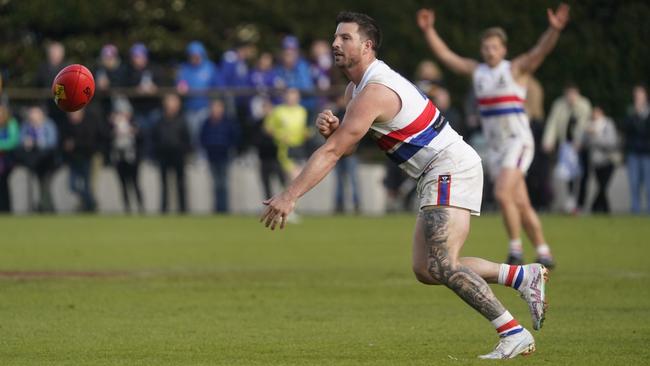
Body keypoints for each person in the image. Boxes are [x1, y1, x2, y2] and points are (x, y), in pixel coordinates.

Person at [261, 11, 548, 359]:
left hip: (448, 166)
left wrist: (289, 196)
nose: (335, 43)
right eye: (335, 37)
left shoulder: (374, 90)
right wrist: (334, 130)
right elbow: (346, 145)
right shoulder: (357, 88)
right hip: (438, 170)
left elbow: (335, 152)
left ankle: (512, 331)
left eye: (345, 38)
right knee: (427, 269)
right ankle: (521, 276)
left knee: (442, 263)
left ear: (367, 47)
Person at [416, 4, 570, 268]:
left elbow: (539, 51)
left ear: (504, 49)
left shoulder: (514, 70)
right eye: (486, 47)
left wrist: (553, 30)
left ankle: (515, 250)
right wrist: (429, 30)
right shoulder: (478, 72)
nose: (489, 51)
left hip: (518, 142)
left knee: (501, 193)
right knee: (519, 202)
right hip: (497, 147)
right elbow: (447, 56)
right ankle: (544, 251)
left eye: (494, 47)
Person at [543, 84, 592, 213]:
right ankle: (570, 203)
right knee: (566, 176)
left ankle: (580, 204)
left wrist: (578, 141)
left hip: (580, 147)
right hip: (566, 146)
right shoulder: (559, 105)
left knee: (582, 176)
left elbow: (584, 124)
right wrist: (548, 141)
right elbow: (552, 123)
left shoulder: (584, 105)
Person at [176, 41, 224, 147]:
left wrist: (216, 103)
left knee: (207, 135)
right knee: (193, 135)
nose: (195, 58)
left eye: (197, 55)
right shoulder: (184, 68)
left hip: (206, 107)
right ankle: (195, 156)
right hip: (189, 107)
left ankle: (205, 158)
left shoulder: (210, 67)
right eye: (192, 56)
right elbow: (180, 82)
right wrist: (181, 87)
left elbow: (218, 86)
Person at [199, 99, 240, 213]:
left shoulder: (227, 122)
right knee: (216, 184)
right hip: (211, 155)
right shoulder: (207, 122)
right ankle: (218, 209)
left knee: (223, 183)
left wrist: (230, 148)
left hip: (224, 155)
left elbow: (234, 137)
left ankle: (224, 209)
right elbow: (202, 138)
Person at [152, 93, 191, 213]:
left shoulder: (182, 120)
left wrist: (185, 152)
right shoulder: (160, 121)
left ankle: (183, 209)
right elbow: (155, 138)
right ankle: (164, 209)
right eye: (170, 101)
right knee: (164, 184)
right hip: (164, 155)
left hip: (178, 155)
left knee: (181, 183)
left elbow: (187, 139)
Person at [18, 106, 59, 212]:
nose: (34, 121)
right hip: (33, 161)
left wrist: (37, 142)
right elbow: (21, 141)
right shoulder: (27, 126)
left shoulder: (49, 125)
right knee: (35, 186)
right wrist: (26, 142)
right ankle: (39, 207)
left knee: (45, 185)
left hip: (48, 161)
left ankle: (47, 208)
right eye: (32, 119)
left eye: (36, 118)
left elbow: (52, 142)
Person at [263, 88, 310, 180]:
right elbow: (268, 128)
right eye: (289, 96)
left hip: (299, 148)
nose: (291, 99)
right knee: (294, 177)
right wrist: (279, 136)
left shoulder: (302, 111)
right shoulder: (278, 111)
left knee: (298, 180)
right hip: (284, 149)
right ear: (285, 97)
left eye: (294, 97)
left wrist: (306, 133)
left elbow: (304, 128)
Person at [109, 97, 144, 214]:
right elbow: (106, 137)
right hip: (119, 158)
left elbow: (142, 138)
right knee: (123, 184)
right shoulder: (112, 125)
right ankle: (127, 208)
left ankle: (140, 207)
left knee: (135, 183)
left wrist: (133, 131)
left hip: (132, 158)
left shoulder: (135, 124)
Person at [582, 106, 619, 214]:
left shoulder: (608, 124)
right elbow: (585, 143)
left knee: (603, 186)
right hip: (596, 162)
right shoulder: (589, 125)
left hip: (608, 160)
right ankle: (602, 209)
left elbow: (611, 143)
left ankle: (597, 207)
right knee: (601, 186)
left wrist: (596, 136)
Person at [62, 109, 100, 212]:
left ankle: (89, 206)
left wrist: (75, 144)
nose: (72, 116)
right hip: (73, 161)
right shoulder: (67, 126)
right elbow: (63, 142)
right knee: (72, 185)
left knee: (87, 185)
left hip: (86, 159)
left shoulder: (88, 124)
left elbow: (90, 142)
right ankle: (90, 201)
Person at [622, 85, 650, 214]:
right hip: (633, 152)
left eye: (640, 95)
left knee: (648, 184)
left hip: (647, 153)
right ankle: (636, 209)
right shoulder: (630, 112)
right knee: (634, 183)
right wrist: (635, 115)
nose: (638, 98)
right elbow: (626, 128)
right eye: (636, 95)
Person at [0, 105, 19, 212]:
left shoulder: (11, 123)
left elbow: (13, 141)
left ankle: (6, 209)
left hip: (7, 160)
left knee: (5, 186)